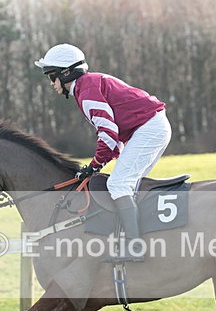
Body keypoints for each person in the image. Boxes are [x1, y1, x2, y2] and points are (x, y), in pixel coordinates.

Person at [35, 43, 172, 261]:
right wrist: (97, 164)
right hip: (150, 127)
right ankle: (136, 237)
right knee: (127, 185)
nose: (51, 83)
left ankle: (134, 247)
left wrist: (94, 165)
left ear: (66, 73)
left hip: (149, 128)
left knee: (118, 184)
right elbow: (114, 138)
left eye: (52, 76)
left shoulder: (86, 90)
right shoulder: (87, 86)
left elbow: (108, 133)